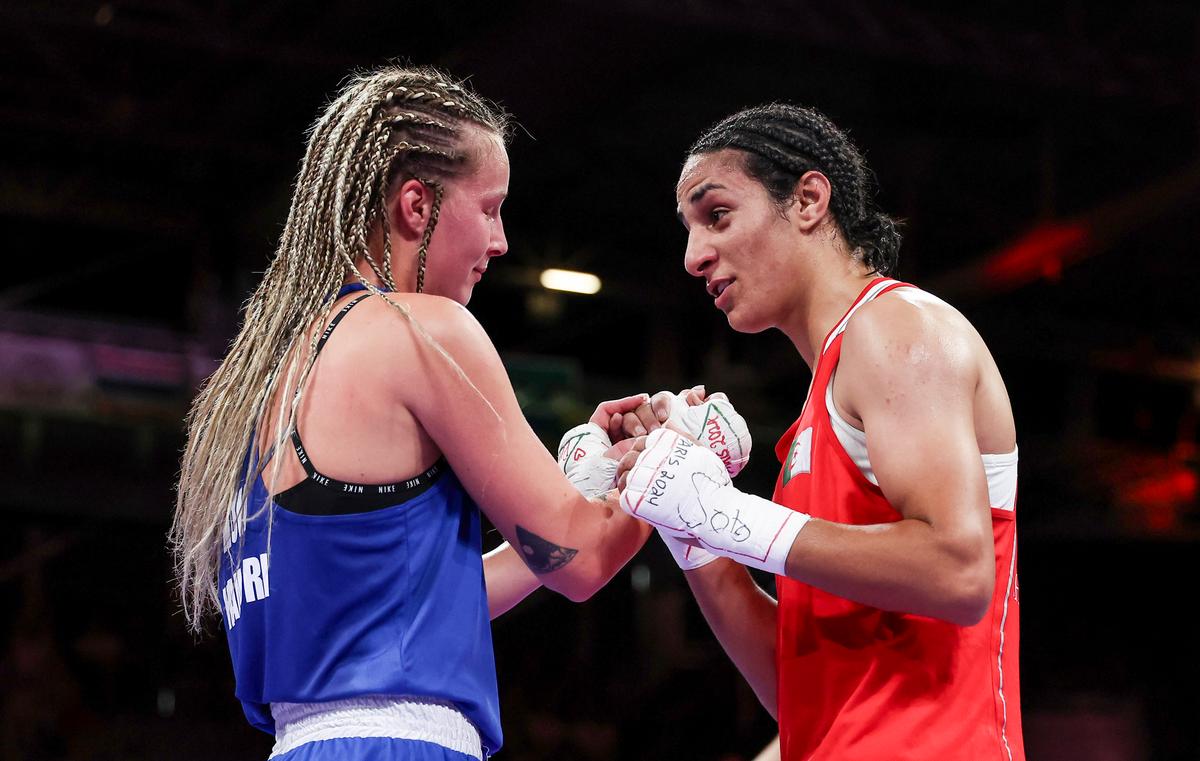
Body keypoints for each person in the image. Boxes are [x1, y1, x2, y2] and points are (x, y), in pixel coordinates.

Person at [170, 65, 664, 761]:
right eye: (490, 207)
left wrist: (587, 492)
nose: (501, 242)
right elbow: (582, 562)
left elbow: (412, 598)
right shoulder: (422, 328)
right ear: (416, 205)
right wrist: (671, 466)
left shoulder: (260, 381)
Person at [616, 104, 1024, 760]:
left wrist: (723, 512)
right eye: (688, 229)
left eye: (717, 215)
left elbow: (959, 572)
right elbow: (800, 695)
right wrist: (687, 522)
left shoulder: (899, 328)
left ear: (808, 200)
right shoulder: (817, 417)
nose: (693, 256)